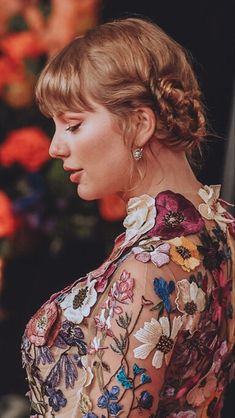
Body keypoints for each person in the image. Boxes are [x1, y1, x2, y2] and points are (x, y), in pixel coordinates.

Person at [21, 17, 235, 418]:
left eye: (73, 125)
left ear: (139, 124)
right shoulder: (222, 229)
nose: (54, 148)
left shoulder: (147, 268)